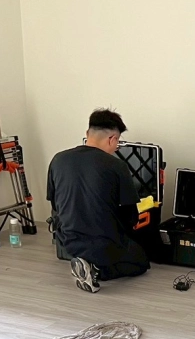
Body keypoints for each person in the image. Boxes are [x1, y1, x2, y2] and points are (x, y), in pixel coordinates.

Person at [47, 108, 150, 293]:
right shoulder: (117, 165)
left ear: (87, 134)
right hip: (103, 243)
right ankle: (95, 269)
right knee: (141, 262)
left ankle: (82, 261)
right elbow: (131, 216)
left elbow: (55, 205)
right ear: (112, 139)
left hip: (68, 241)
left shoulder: (58, 159)